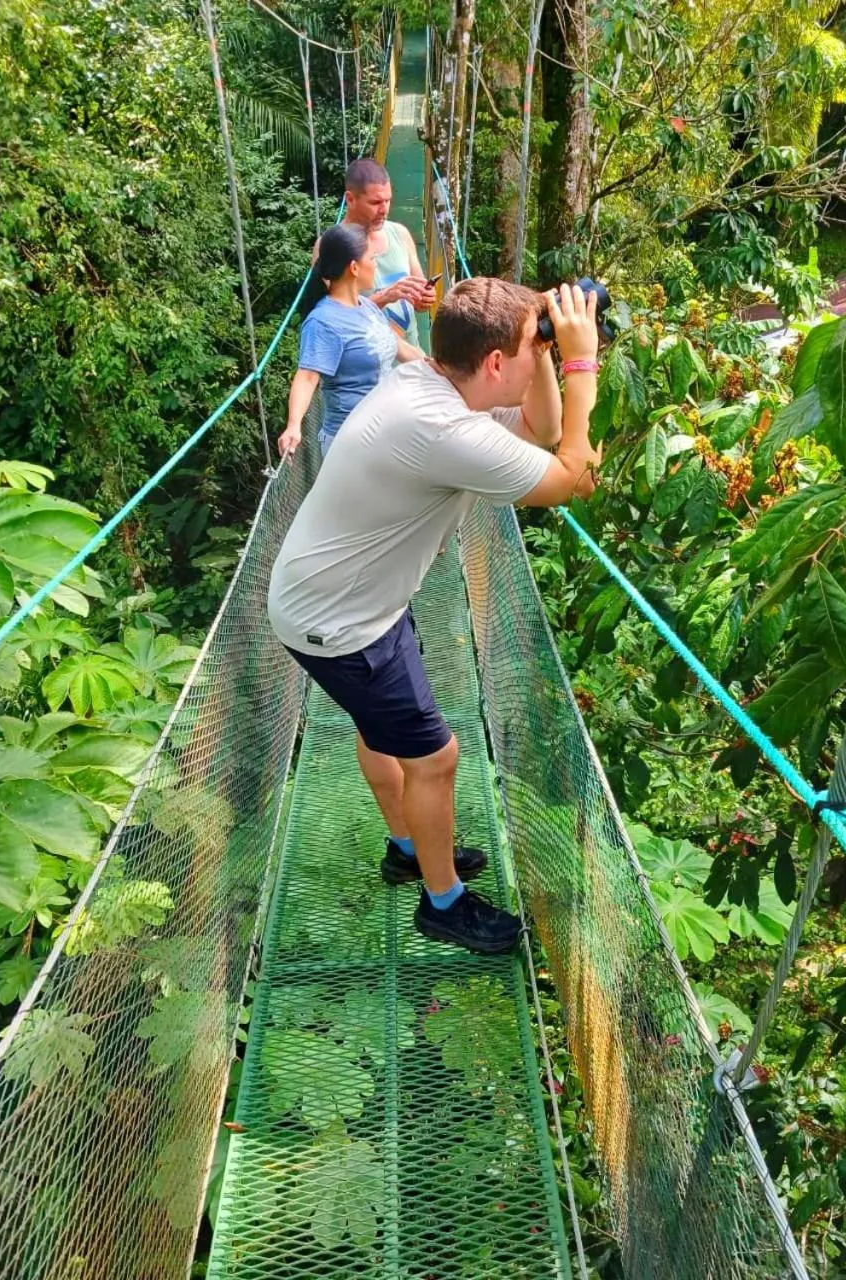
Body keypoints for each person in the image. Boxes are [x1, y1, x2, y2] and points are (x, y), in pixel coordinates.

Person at [268, 278, 601, 955]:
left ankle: (405, 848)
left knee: (381, 726)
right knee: (436, 757)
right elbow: (575, 477)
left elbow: (541, 431)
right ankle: (442, 903)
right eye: (526, 349)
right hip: (342, 624)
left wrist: (536, 339)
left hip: (342, 600)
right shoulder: (443, 429)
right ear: (496, 365)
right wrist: (580, 361)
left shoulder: (425, 382)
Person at [279, 223, 423, 460]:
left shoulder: (366, 306)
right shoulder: (324, 322)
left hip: (381, 435)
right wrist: (293, 425)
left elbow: (397, 346)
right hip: (350, 445)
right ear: (354, 267)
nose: (376, 264)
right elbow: (307, 377)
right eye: (372, 258)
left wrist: (444, 368)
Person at [314, 157, 434, 348]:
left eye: (387, 201)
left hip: (410, 362)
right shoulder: (330, 246)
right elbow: (336, 319)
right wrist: (385, 296)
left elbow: (420, 300)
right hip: (367, 369)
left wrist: (424, 297)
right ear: (350, 199)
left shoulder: (400, 234)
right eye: (375, 202)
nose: (384, 210)